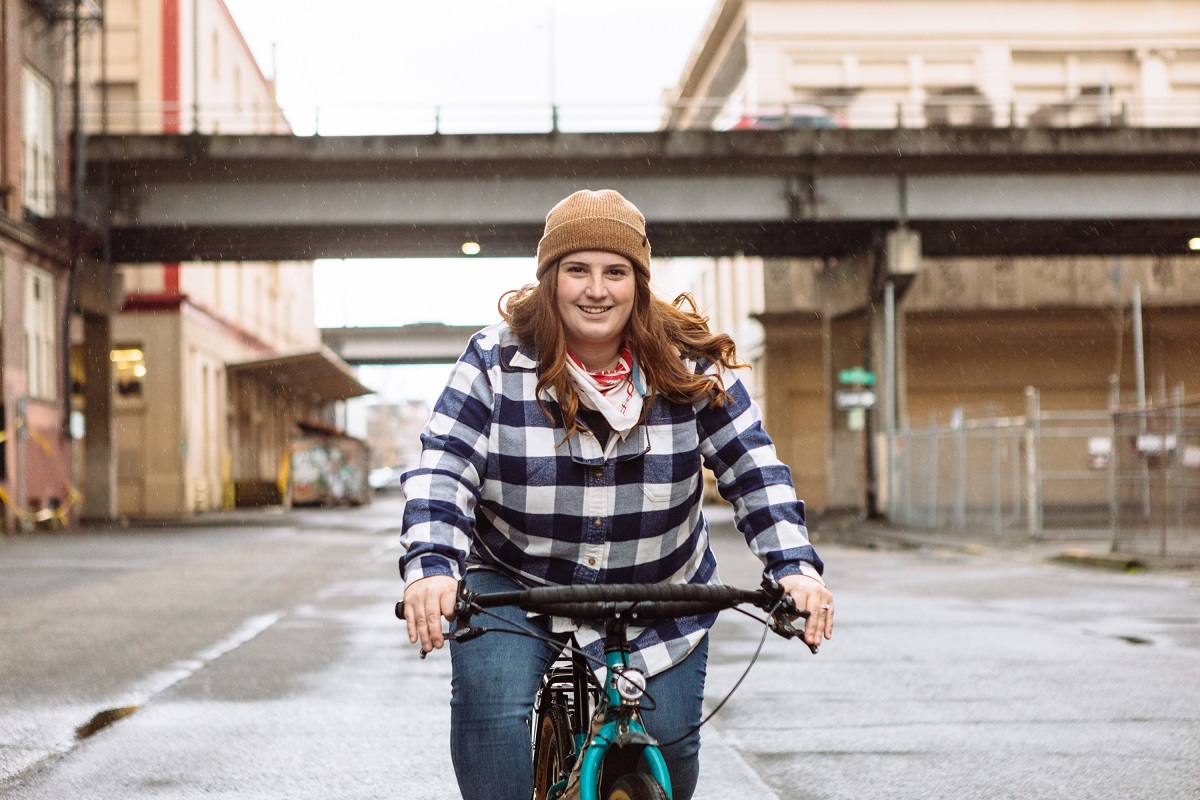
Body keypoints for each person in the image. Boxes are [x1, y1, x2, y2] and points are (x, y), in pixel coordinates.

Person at [399, 188, 833, 800]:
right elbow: (443, 467)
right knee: (491, 709)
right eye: (577, 270)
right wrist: (432, 569)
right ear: (550, 281)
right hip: (516, 577)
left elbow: (752, 466)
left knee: (672, 743)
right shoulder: (494, 360)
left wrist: (794, 570)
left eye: (615, 271)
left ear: (639, 283)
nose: (596, 289)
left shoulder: (686, 365)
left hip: (657, 584)